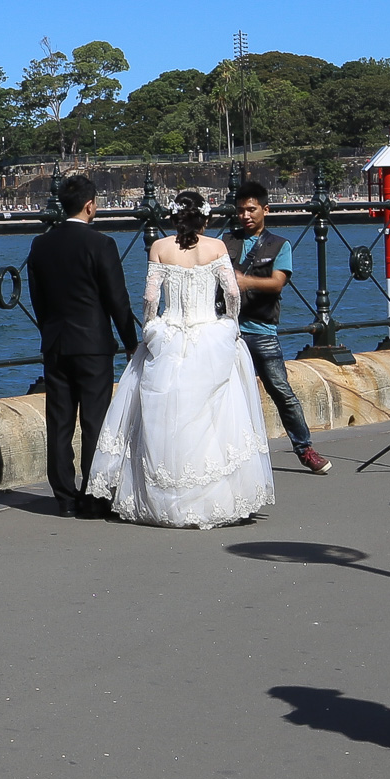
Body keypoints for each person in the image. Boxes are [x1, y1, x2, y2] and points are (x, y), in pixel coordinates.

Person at [85, 191, 275, 527]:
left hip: (170, 334)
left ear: (174, 217)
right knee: (212, 419)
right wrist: (230, 323)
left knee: (163, 419)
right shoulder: (217, 247)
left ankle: (162, 499)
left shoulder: (160, 247)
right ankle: (210, 497)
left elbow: (149, 296)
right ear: (205, 218)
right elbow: (232, 292)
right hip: (208, 334)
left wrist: (151, 327)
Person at [27, 173, 139, 518]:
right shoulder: (101, 245)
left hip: (56, 342)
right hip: (92, 344)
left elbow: (38, 299)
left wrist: (50, 330)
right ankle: (93, 497)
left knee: (59, 422)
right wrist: (130, 342)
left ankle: (64, 497)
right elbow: (116, 299)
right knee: (95, 421)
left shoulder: (40, 244)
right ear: (91, 206)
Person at [225, 180, 331, 475]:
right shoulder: (225, 242)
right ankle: (229, 452)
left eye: (251, 209)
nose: (246, 216)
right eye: (241, 210)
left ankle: (305, 448)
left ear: (265, 210)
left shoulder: (279, 245)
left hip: (262, 331)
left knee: (281, 391)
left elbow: (277, 282)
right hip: (229, 330)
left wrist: (245, 281)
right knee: (225, 393)